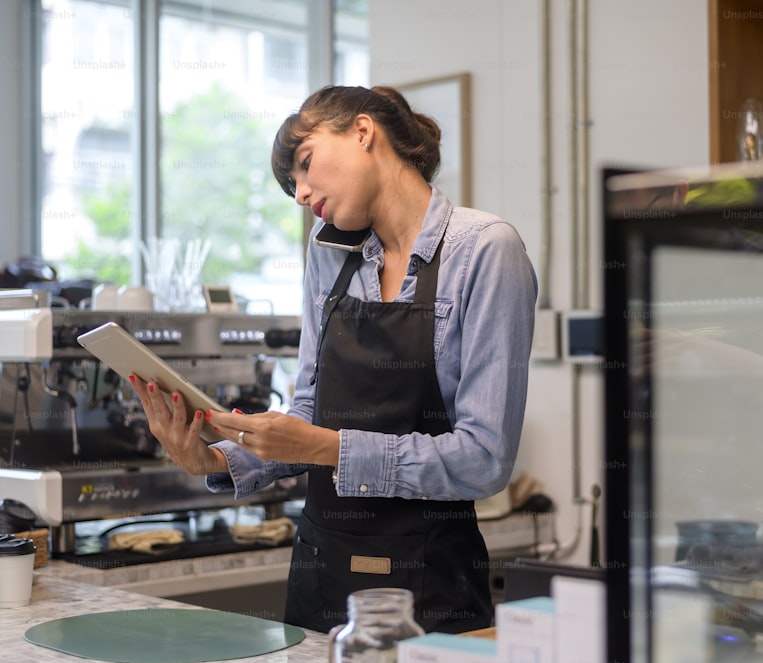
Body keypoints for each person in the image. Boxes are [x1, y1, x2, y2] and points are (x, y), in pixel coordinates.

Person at [130, 84, 537, 634]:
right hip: (321, 570)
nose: (300, 194)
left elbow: (484, 459)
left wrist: (327, 446)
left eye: (304, 165)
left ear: (363, 132)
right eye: (291, 186)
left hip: (431, 583)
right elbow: (307, 408)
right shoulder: (328, 252)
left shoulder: (486, 249)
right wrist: (220, 460)